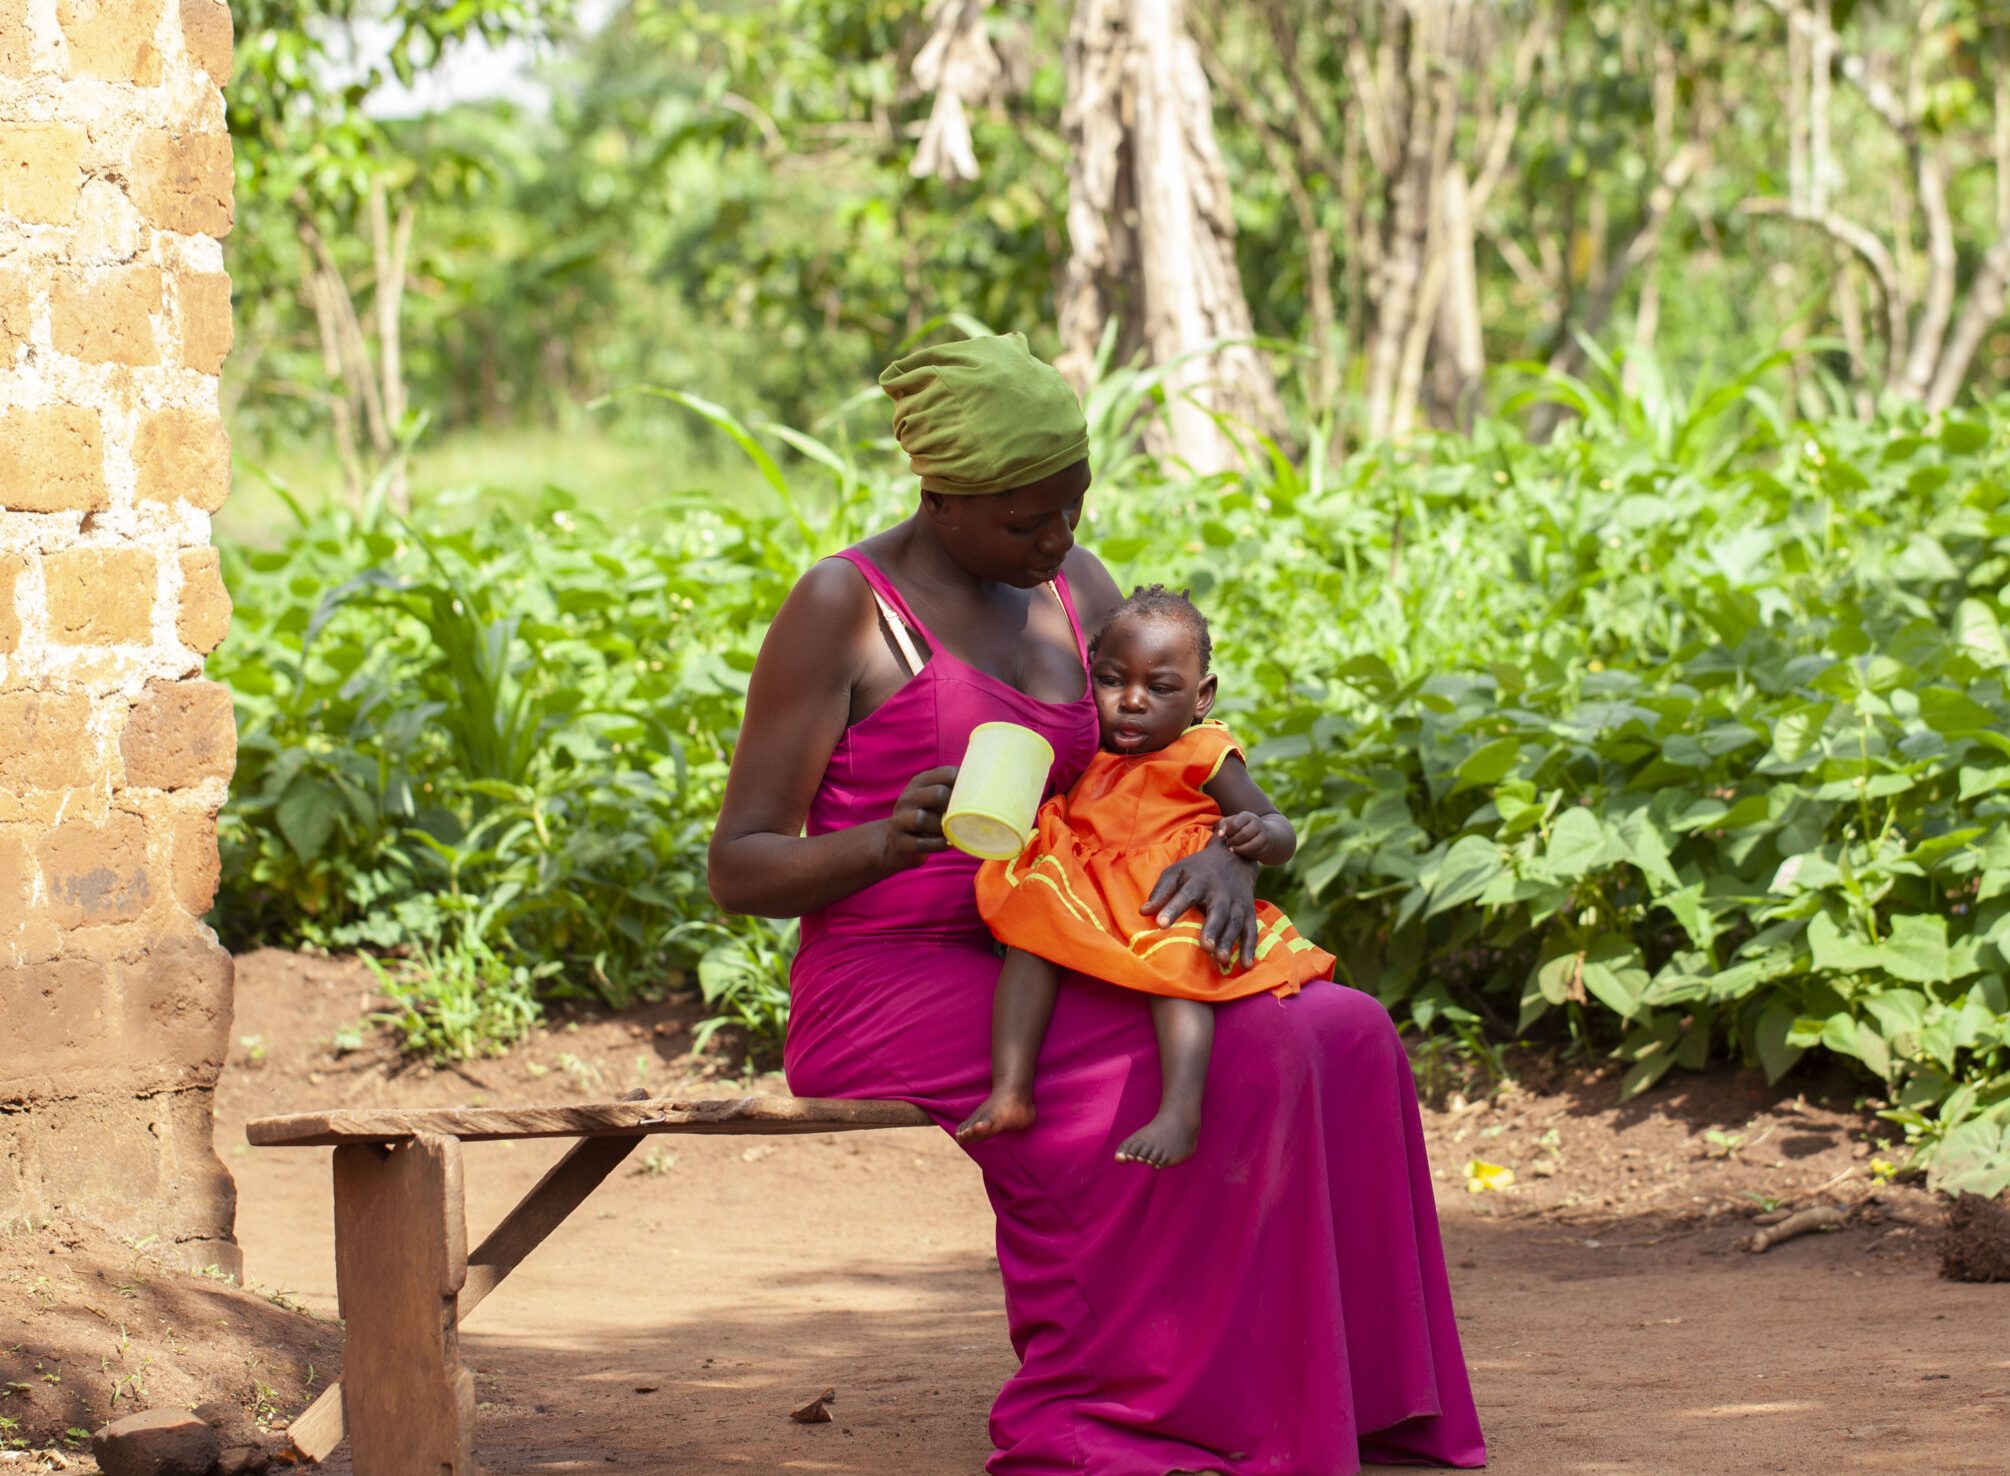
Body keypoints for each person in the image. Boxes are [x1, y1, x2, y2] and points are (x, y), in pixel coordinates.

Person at [708, 331, 1485, 1475]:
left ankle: (1350, 1402)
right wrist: (885, 839)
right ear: (943, 497)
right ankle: (1123, 1418)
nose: (1059, 541)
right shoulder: (845, 604)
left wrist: (1225, 854)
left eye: (1071, 508)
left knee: (1344, 1031)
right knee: (1241, 1055)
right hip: (895, 974)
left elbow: (1149, 770)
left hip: (1077, 925)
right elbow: (740, 866)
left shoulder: (1073, 591)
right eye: (1027, 520)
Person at [956, 585, 1337, 1169]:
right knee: (1028, 941)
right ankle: (1011, 1089)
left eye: (1160, 689)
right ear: (1091, 676)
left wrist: (1254, 839)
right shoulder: (1085, 745)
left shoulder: (1202, 753)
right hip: (1083, 887)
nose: (1132, 702)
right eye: (1113, 681)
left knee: (1178, 961)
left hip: (1168, 894)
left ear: (1201, 696)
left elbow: (1275, 823)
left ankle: (1180, 1109)